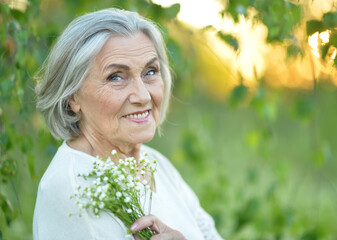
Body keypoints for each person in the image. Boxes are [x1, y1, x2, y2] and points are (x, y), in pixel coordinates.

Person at [33, 8, 223, 240]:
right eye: (116, 77)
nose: (143, 96)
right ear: (72, 96)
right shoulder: (71, 188)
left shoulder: (156, 164)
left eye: (150, 72)